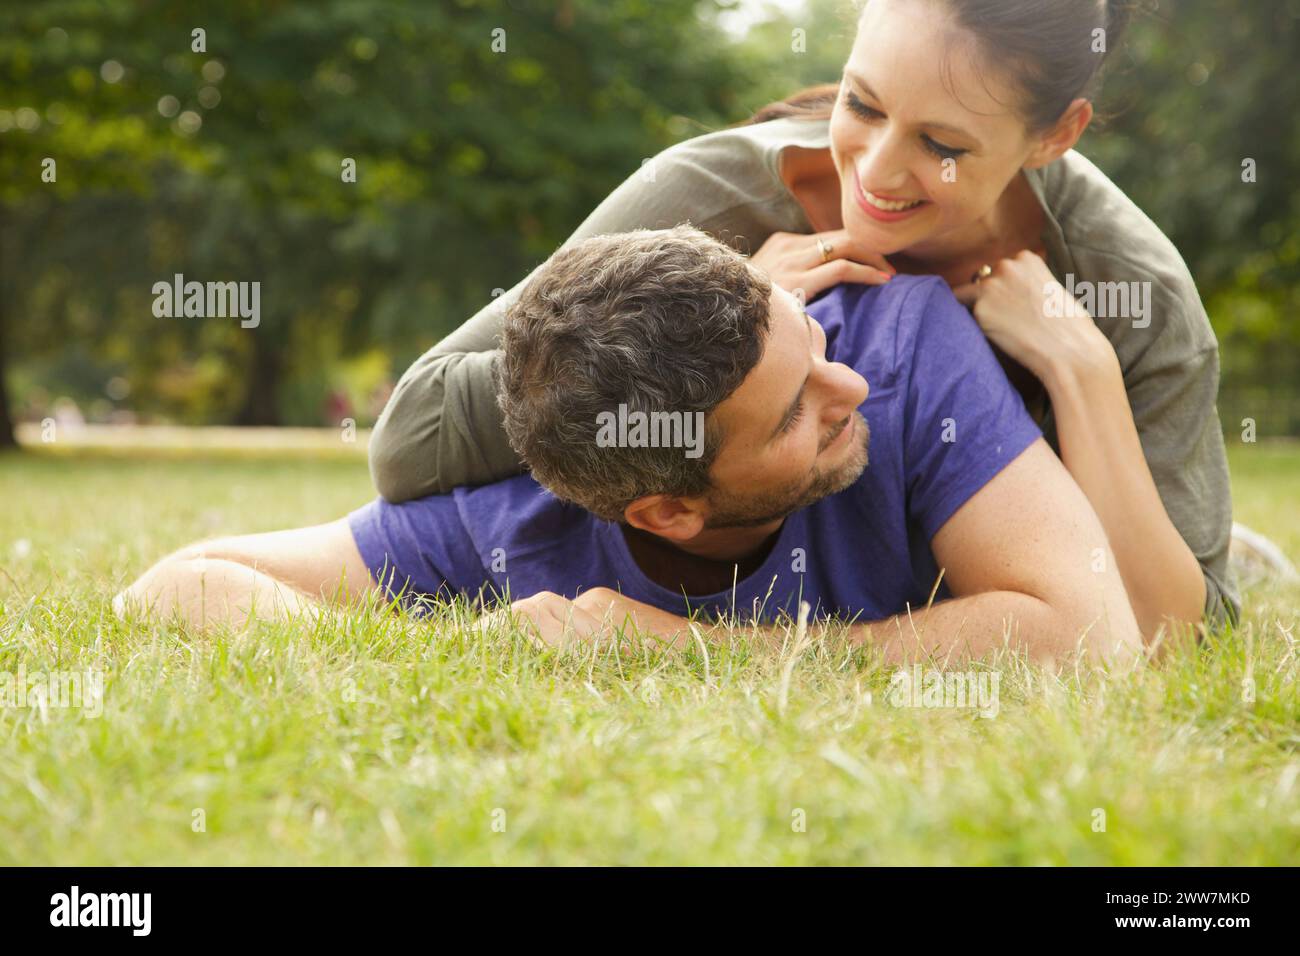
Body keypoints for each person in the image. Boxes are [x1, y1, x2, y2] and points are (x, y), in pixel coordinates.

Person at [367, 0, 1239, 641]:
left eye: (943, 146)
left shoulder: (1133, 289)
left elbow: (1174, 639)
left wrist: (1081, 374)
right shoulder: (706, 197)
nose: (877, 173)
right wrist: (729, 298)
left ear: (1057, 135)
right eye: (861, 105)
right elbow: (410, 435)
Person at [116, 226, 1142, 666]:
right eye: (791, 411)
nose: (849, 388)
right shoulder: (509, 525)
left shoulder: (904, 342)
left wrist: (700, 652)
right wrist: (469, 650)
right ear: (664, 509)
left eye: (811, 339)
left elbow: (1093, 633)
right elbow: (175, 586)